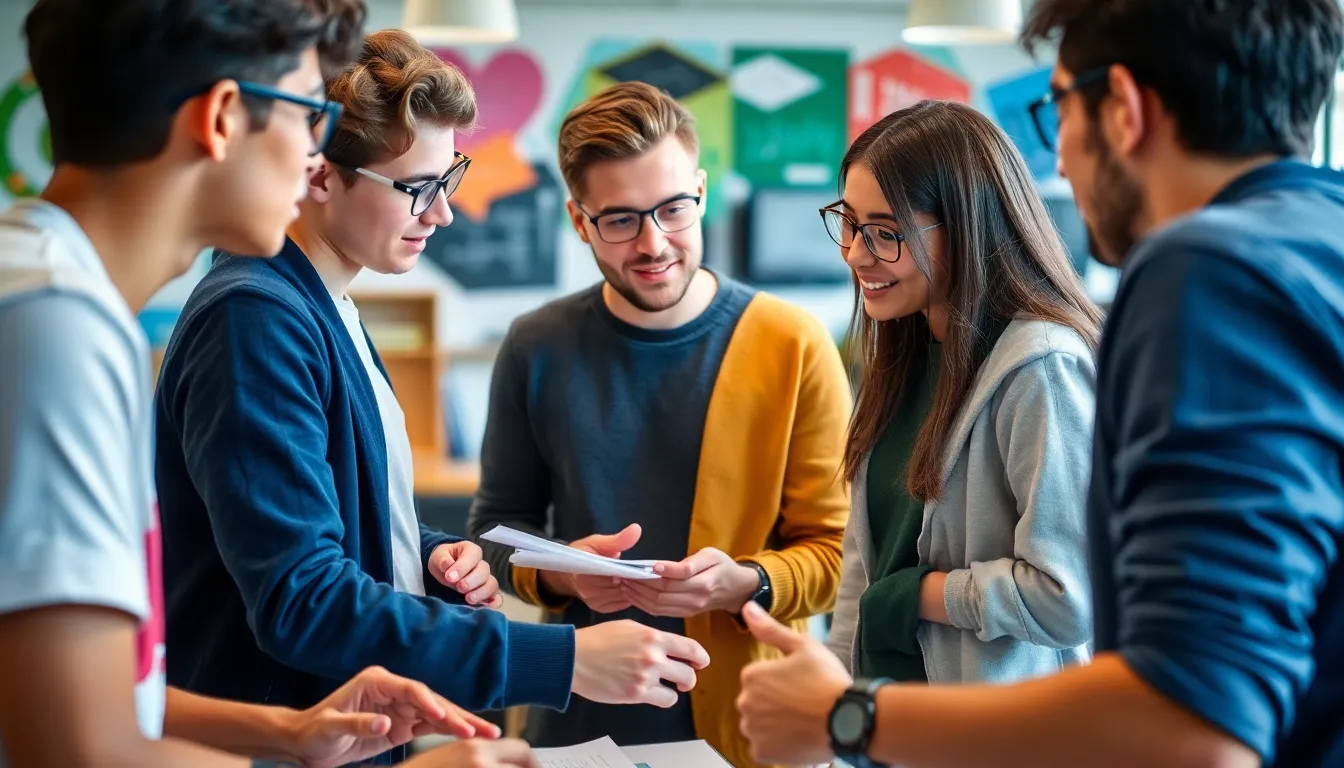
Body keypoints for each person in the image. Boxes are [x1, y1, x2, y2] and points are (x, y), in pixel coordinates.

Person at [735, 0, 1344, 766]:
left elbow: (1194, 720)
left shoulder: (1207, 271)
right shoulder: (1323, 232)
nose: (1056, 160)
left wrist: (847, 717)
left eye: (1056, 106)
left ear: (1121, 106)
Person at [0, 1, 537, 767]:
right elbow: (76, 750)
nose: (315, 154)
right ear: (222, 118)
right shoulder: (56, 322)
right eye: (305, 112)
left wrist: (287, 735)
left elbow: (120, 691)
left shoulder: (65, 299)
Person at [153, 30, 709, 763]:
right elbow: (304, 599)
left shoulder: (326, 304)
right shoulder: (255, 317)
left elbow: (328, 527)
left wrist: (432, 558)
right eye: (417, 188)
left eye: (449, 179)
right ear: (321, 174)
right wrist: (564, 659)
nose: (442, 213)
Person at [466, 80, 853, 766]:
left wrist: (747, 582)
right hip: (577, 722)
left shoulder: (793, 344)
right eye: (619, 219)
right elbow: (495, 529)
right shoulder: (535, 345)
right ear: (579, 220)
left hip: (748, 720)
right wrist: (564, 576)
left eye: (673, 209)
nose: (653, 243)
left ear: (700, 191)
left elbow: (839, 555)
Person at [823, 100, 1099, 688]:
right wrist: (831, 709)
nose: (855, 254)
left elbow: (1067, 598)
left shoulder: (1040, 367)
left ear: (969, 228)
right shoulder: (903, 349)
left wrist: (919, 596)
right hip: (884, 730)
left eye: (886, 233)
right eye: (848, 223)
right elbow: (863, 568)